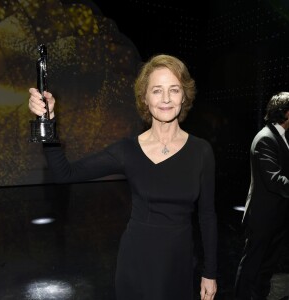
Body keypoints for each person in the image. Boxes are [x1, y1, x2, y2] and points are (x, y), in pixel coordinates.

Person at [28, 54, 218, 300]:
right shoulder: (127, 151)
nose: (166, 99)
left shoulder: (201, 151)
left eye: (174, 90)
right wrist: (48, 121)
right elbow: (65, 173)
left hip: (178, 264)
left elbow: (207, 215)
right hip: (136, 262)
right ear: (145, 98)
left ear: (184, 96)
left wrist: (210, 273)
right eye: (157, 90)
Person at [234, 91, 289, 300]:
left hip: (274, 217)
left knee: (265, 268)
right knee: (251, 267)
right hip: (262, 217)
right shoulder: (265, 139)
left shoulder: (280, 137)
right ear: (284, 112)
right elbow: (274, 180)